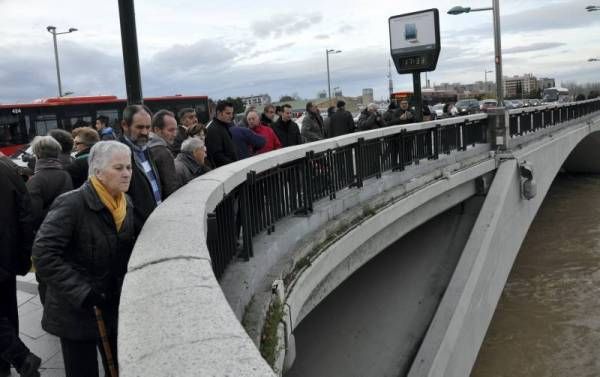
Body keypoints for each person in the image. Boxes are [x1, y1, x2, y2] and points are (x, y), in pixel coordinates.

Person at [32, 141, 136, 377]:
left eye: (129, 167)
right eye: (118, 168)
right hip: (75, 313)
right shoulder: (72, 203)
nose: (127, 173)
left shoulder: (125, 203)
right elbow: (43, 254)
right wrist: (82, 292)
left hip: (110, 305)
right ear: (97, 172)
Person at [0, 155, 41, 377]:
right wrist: (23, 255)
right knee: (7, 311)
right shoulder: (9, 167)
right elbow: (25, 214)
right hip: (8, 257)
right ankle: (9, 363)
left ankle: (20, 357)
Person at [118, 105, 162, 232]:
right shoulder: (117, 155)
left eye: (148, 127)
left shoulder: (146, 149)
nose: (145, 132)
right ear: (125, 125)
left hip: (154, 225)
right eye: (139, 127)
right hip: (138, 232)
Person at [26, 136, 73, 231]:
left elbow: (34, 215)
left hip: (46, 232)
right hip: (67, 227)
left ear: (37, 155)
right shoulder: (65, 175)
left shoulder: (35, 180)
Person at [148, 110, 180, 199]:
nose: (175, 134)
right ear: (157, 130)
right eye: (170, 130)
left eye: (176, 129)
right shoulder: (164, 153)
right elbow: (171, 188)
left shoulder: (146, 147)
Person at [205, 101, 238, 167]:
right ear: (219, 113)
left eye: (232, 113)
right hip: (224, 171)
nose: (231, 116)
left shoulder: (224, 125)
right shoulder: (213, 129)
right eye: (228, 113)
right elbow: (216, 155)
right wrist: (233, 165)